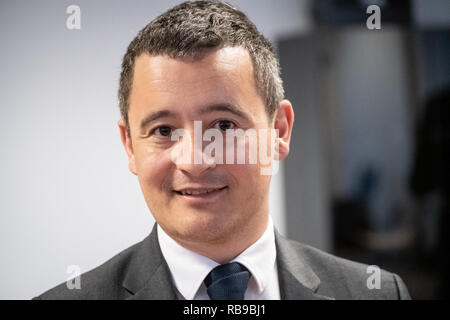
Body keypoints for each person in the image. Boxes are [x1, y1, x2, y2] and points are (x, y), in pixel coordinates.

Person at [34, 0, 410, 300]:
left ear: (279, 130)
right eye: (164, 130)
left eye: (224, 126)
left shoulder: (376, 294)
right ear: (130, 145)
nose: (195, 161)